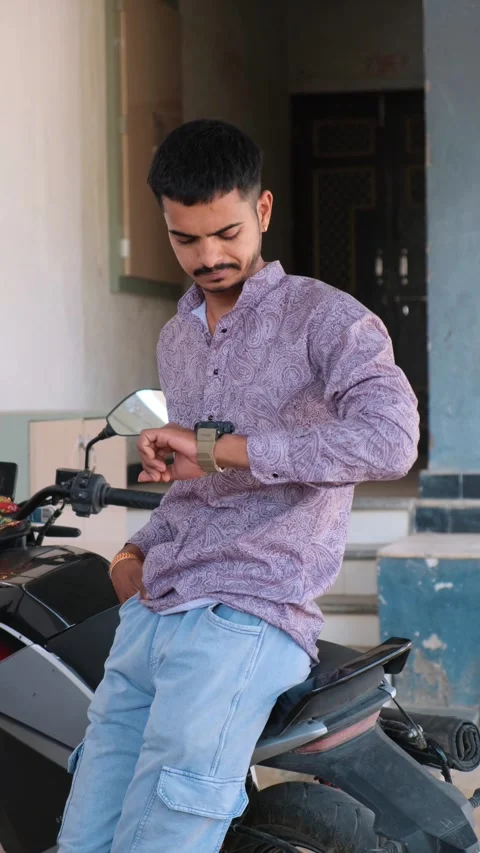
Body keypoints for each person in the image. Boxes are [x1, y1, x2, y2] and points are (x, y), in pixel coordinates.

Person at [58, 119, 419, 853]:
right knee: (85, 829)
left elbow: (393, 439)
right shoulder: (178, 336)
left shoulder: (327, 319)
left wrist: (226, 448)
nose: (209, 256)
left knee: (162, 838)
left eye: (225, 232)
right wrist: (137, 548)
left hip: (245, 612)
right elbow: (206, 481)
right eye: (185, 239)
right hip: (154, 611)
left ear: (262, 211)